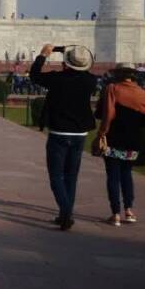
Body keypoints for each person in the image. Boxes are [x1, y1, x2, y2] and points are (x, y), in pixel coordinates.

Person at [30, 44, 98, 230]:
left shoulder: (57, 79)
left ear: (66, 62)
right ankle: (64, 214)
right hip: (79, 134)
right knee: (71, 176)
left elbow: (34, 75)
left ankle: (66, 213)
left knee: (56, 176)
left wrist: (44, 55)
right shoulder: (90, 81)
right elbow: (84, 71)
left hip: (59, 133)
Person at [94, 63, 145, 226]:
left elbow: (100, 114)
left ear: (118, 74)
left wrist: (101, 133)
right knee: (127, 174)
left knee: (113, 176)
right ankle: (129, 210)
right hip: (133, 141)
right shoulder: (143, 93)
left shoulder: (112, 89)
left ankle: (115, 214)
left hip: (113, 139)